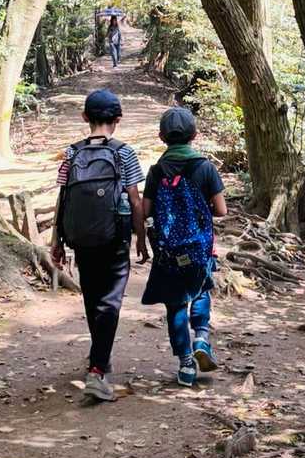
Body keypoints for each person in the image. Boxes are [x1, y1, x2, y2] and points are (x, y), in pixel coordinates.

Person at [50, 88, 148, 402]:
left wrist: (56, 241)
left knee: (93, 299)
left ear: (84, 117)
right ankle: (97, 371)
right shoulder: (124, 153)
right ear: (118, 119)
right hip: (115, 238)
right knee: (111, 302)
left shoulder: (71, 153)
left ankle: (99, 359)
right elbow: (135, 200)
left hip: (81, 238)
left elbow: (63, 198)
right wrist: (141, 238)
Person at [141, 106, 226, 387]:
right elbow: (221, 210)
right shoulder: (205, 167)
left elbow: (145, 211)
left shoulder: (156, 172)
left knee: (175, 304)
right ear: (194, 135)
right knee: (201, 289)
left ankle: (186, 364)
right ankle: (201, 336)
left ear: (161, 137)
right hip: (200, 247)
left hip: (169, 252)